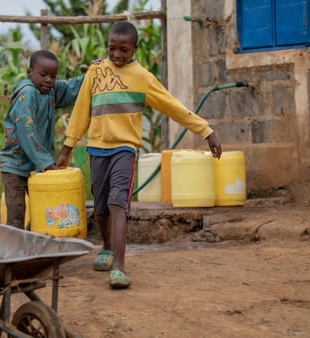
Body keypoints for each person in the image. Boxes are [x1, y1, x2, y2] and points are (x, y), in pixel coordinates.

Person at [56, 21, 222, 289]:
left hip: (125, 148)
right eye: (112, 48)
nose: (117, 55)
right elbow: (80, 112)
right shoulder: (96, 71)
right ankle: (107, 248)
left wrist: (206, 131)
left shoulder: (143, 77)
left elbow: (173, 106)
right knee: (99, 206)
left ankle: (120, 267)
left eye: (124, 50)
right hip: (97, 147)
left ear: (135, 48)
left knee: (117, 203)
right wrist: (66, 148)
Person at [0, 50, 86, 229]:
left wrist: (92, 74)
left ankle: (32, 244)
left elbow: (71, 88)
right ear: (29, 73)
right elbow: (26, 131)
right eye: (43, 74)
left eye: (53, 76)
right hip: (15, 166)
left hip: (37, 168)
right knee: (17, 212)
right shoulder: (28, 93)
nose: (49, 80)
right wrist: (46, 162)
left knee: (44, 209)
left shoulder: (50, 91)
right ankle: (13, 252)